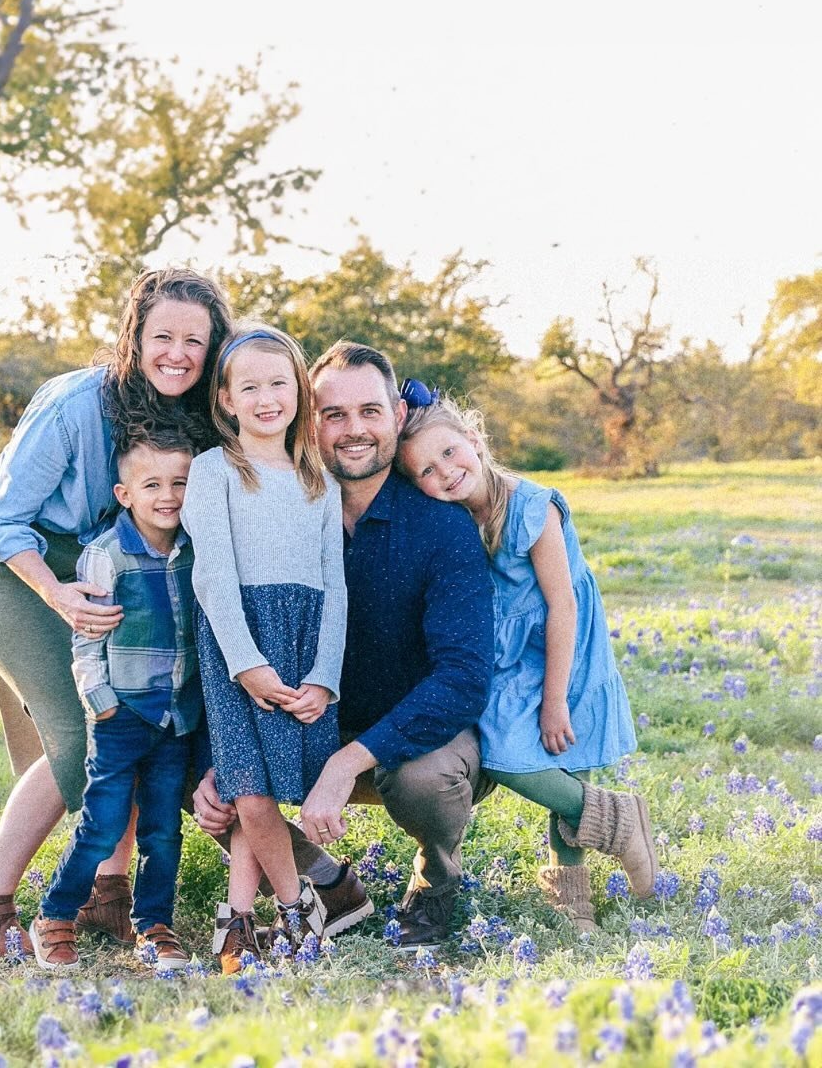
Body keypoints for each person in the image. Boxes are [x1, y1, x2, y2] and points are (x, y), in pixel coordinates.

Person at [0, 268, 232, 958]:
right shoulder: (79, 403)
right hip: (8, 558)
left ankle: (109, 895)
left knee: (140, 709)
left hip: (96, 555)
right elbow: (5, 524)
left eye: (196, 340)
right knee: (84, 735)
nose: (178, 354)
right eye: (163, 336)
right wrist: (57, 593)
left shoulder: (195, 410)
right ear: (136, 337)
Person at [192, 341, 496, 949]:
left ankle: (433, 883)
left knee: (424, 781)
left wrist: (349, 759)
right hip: (289, 712)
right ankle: (322, 883)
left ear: (398, 416)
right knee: (197, 773)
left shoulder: (439, 523)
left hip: (405, 735)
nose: (353, 430)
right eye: (335, 415)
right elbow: (215, 598)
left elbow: (463, 677)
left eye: (370, 412)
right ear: (312, 417)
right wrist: (208, 747)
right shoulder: (276, 492)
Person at [395, 383, 656, 931]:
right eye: (425, 471)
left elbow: (561, 606)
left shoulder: (532, 507)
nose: (443, 471)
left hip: (565, 652)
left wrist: (555, 700)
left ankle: (573, 901)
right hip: (510, 660)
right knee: (504, 754)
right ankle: (622, 820)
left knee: (570, 771)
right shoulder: (452, 520)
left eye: (449, 452)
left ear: (474, 439)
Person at [180, 323, 347, 973]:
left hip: (304, 645)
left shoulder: (319, 481)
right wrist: (247, 664)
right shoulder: (212, 471)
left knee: (270, 791)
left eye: (279, 383)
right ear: (225, 399)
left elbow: (335, 588)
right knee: (247, 792)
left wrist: (324, 676)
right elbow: (213, 576)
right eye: (248, 386)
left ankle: (236, 920)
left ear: (299, 392)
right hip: (236, 647)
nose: (265, 397)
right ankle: (299, 910)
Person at [27, 433, 200, 973]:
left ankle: (152, 924)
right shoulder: (105, 555)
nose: (168, 495)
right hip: (121, 711)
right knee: (101, 823)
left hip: (175, 715)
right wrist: (100, 702)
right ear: (125, 494)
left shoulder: (197, 546)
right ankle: (55, 914)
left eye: (180, 483)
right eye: (152, 485)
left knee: (163, 827)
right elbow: (87, 636)